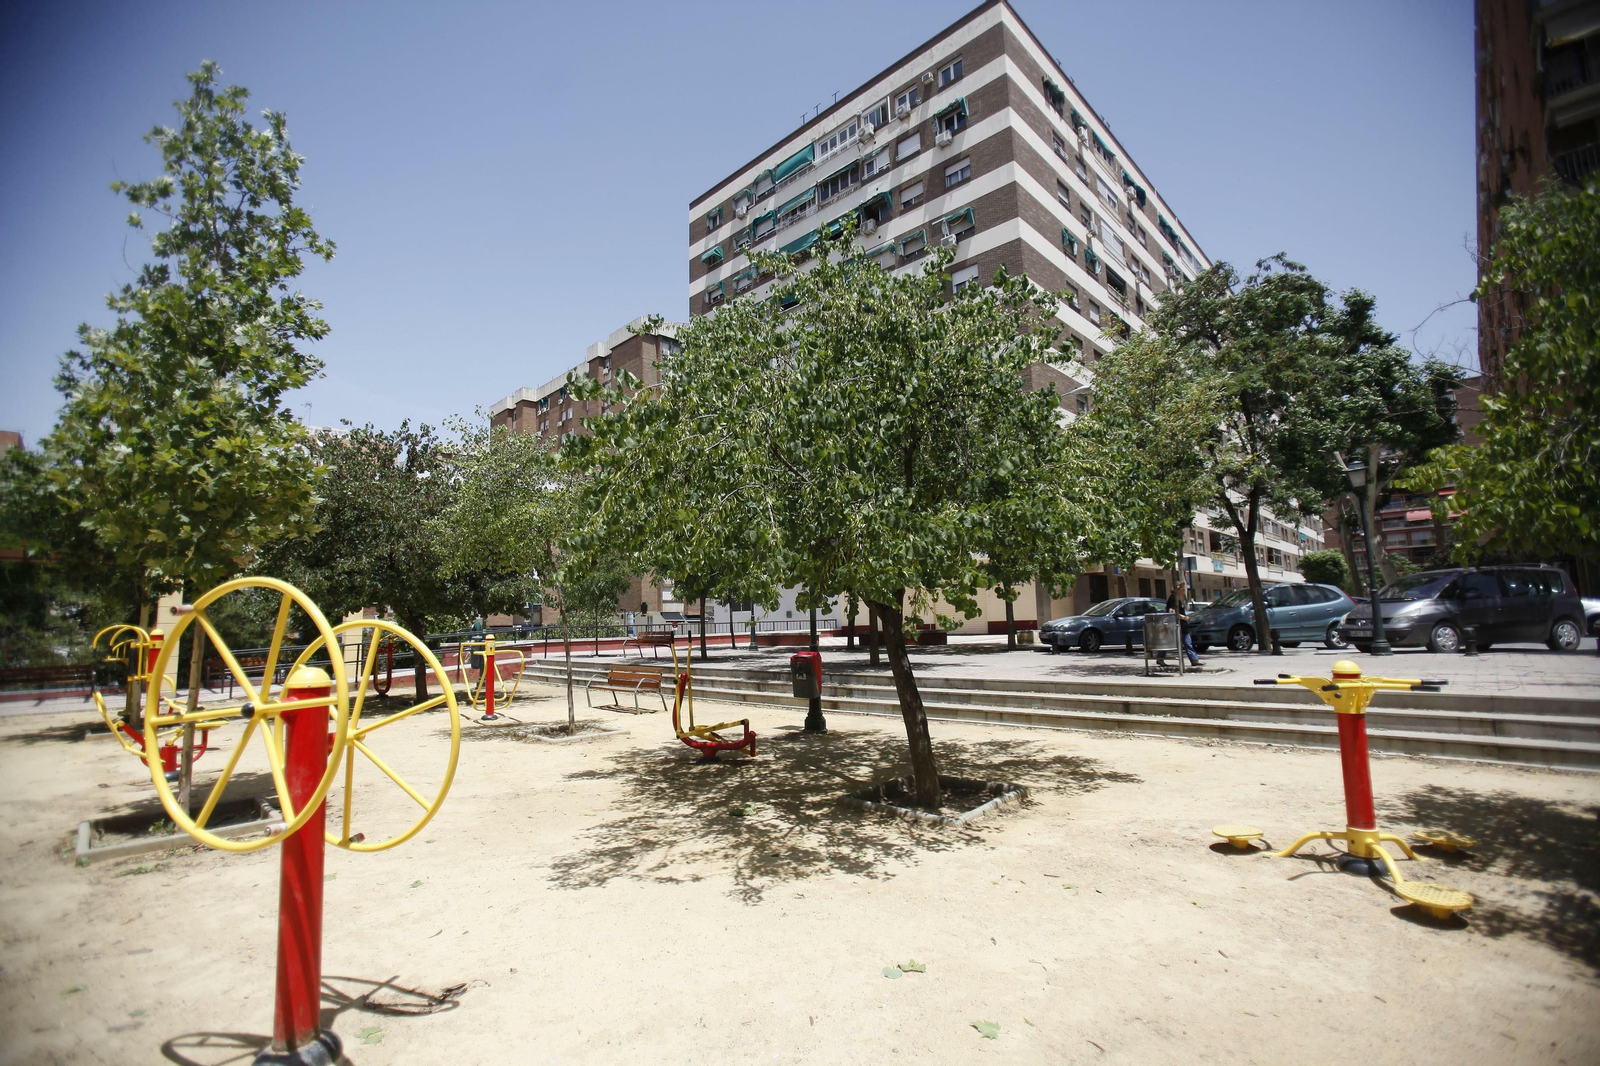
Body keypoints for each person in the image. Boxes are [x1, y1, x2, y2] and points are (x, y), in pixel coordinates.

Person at [1164, 580, 1204, 668]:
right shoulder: (1173, 599)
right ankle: (1194, 660)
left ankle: (1194, 659)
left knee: (1172, 641)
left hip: (1181, 625)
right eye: (1182, 589)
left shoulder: (1176, 598)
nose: (1183, 591)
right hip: (1178, 625)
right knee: (1185, 642)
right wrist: (1183, 617)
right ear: (1178, 589)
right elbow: (1172, 612)